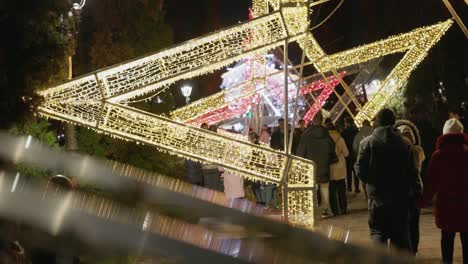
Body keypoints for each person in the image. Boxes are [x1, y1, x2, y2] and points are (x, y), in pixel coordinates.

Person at [355, 108, 422, 251]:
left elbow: (360, 169)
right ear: (393, 122)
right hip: (400, 199)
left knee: (378, 236)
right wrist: (416, 191)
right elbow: (413, 172)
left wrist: (371, 181)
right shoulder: (405, 144)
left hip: (377, 199)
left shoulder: (367, 143)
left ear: (377, 122)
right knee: (400, 240)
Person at [418, 118, 468, 264]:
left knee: (447, 239)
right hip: (466, 205)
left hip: (447, 205)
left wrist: (422, 201)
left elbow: (431, 183)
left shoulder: (438, 155)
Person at [297, 112, 337, 217]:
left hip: (310, 166)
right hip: (324, 165)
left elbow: (301, 151)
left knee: (312, 188)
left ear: (312, 121)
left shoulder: (306, 134)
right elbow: (332, 148)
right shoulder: (326, 133)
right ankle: (325, 210)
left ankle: (313, 208)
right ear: (322, 120)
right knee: (324, 188)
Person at [395, 120, 425, 255]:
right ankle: (414, 249)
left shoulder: (396, 150)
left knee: (403, 223)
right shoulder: (418, 150)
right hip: (415, 189)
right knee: (414, 223)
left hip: (401, 191)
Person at [325, 118, 349, 216]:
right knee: (341, 190)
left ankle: (335, 210)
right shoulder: (340, 139)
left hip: (329, 168)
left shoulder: (325, 139)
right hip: (340, 168)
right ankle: (343, 208)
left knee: (331, 191)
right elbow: (346, 153)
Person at [202, 125, 223, 191]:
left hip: (206, 167)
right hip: (215, 167)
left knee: (208, 187)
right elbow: (221, 155)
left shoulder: (203, 141)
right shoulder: (219, 142)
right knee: (216, 187)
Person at [342, 116, 360, 193]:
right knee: (355, 171)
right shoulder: (356, 130)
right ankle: (357, 187)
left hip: (348, 153)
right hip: (355, 153)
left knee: (349, 171)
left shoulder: (344, 132)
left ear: (347, 123)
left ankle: (349, 187)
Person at [248, 131, 265, 205]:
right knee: (257, 185)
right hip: (257, 167)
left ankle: (260, 200)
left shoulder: (255, 146)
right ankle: (260, 200)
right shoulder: (256, 145)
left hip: (256, 167)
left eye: (251, 137)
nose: (250, 139)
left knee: (255, 185)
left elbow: (254, 158)